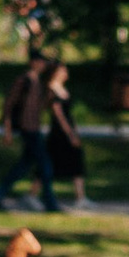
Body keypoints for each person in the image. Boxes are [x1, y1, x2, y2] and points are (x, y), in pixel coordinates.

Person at [0, 55, 61, 214]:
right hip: (27, 129)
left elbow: (42, 106)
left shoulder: (39, 83)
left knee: (23, 166)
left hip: (34, 128)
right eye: (41, 61)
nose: (42, 65)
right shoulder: (24, 81)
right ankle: (49, 200)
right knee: (45, 165)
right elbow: (9, 104)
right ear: (33, 62)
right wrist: (7, 129)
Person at [44, 61, 89, 208]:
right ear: (55, 72)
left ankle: (80, 197)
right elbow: (59, 115)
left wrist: (75, 130)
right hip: (59, 133)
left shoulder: (63, 89)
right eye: (63, 70)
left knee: (76, 161)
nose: (65, 73)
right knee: (49, 163)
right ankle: (32, 194)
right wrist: (70, 133)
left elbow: (69, 114)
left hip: (68, 130)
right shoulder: (51, 90)